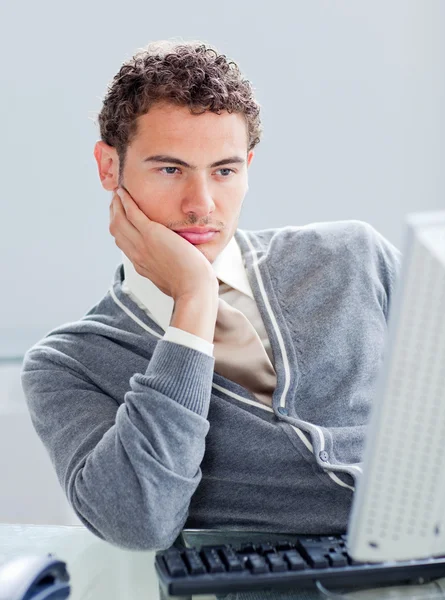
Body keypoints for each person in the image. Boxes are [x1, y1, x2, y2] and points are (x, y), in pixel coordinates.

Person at [21, 39, 401, 554]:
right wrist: (193, 301)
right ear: (109, 167)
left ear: (247, 166)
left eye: (224, 171)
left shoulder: (354, 257)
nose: (201, 205)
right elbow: (138, 522)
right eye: (170, 169)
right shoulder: (69, 363)